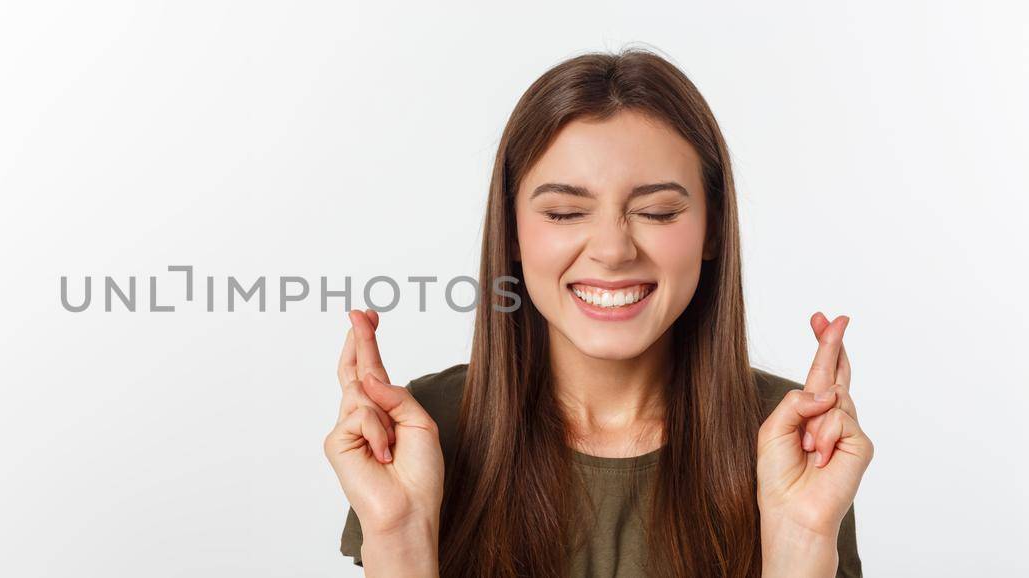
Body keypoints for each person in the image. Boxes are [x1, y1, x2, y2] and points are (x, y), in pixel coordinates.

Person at [322, 48, 872, 578]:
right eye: (564, 213)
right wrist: (397, 537)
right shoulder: (426, 430)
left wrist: (803, 538)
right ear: (512, 230)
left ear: (713, 230)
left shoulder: (790, 438)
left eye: (656, 212)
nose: (613, 250)